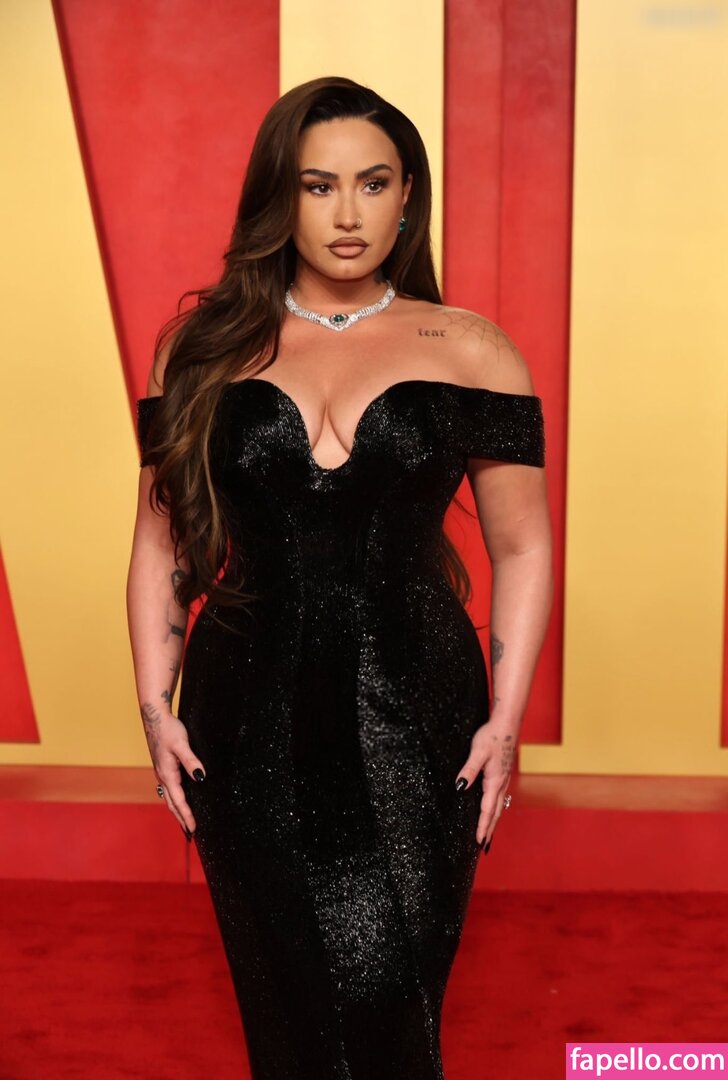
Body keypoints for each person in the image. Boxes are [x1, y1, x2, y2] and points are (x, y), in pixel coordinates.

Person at [126, 75, 552, 1080]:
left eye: (373, 183)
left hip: (418, 711)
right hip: (246, 715)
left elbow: (523, 547)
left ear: (407, 196)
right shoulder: (201, 351)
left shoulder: (472, 349)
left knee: (390, 993)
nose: (348, 213)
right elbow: (160, 544)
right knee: (288, 1006)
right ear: (279, 196)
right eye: (319, 186)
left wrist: (504, 721)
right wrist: (153, 707)